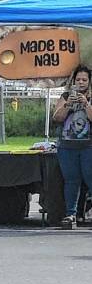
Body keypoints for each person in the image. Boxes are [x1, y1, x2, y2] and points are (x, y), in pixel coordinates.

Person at [53, 64, 92, 229]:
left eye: (84, 80)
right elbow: (57, 117)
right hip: (67, 145)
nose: (81, 82)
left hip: (88, 145)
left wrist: (86, 104)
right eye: (78, 79)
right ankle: (71, 214)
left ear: (89, 82)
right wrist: (68, 104)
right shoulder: (66, 96)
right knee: (71, 180)